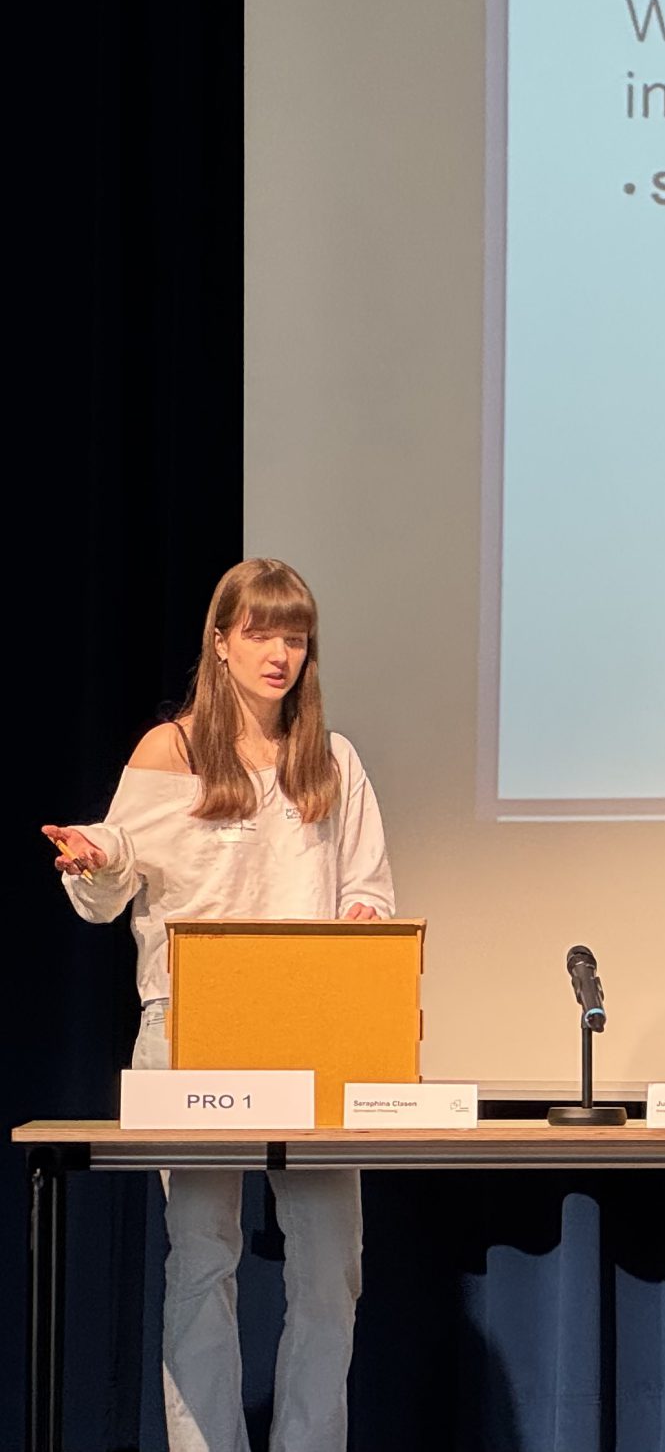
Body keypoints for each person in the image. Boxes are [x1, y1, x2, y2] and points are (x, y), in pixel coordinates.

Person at [42, 558, 392, 1452]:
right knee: (203, 1257)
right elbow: (113, 871)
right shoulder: (173, 752)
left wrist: (359, 915)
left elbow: (370, 889)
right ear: (222, 641)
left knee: (331, 1266)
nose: (279, 653)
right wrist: (92, 858)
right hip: (192, 1028)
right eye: (261, 633)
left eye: (295, 636)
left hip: (313, 1033)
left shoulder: (332, 760)